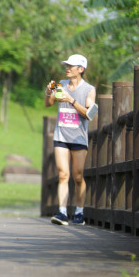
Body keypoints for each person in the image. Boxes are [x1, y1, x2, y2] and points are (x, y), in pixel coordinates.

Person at [45, 54, 96, 226]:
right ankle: (62, 212)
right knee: (62, 174)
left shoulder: (89, 89)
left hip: (79, 137)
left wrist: (71, 100)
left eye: (71, 66)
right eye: (66, 65)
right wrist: (48, 93)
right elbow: (48, 103)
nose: (67, 68)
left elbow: (89, 115)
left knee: (78, 176)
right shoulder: (60, 84)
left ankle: (80, 212)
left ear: (80, 69)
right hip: (61, 135)